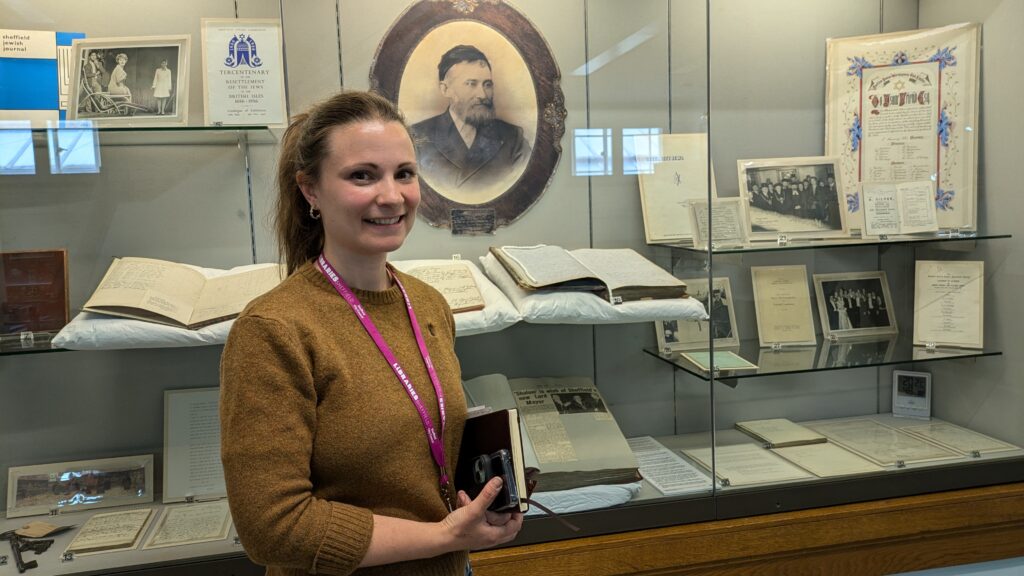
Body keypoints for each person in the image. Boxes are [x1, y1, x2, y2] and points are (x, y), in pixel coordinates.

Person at [219, 90, 522, 576]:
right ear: (311, 191)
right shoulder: (273, 331)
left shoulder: (428, 305)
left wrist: (489, 496)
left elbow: (422, 457)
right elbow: (271, 527)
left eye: (404, 173)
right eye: (362, 175)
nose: (391, 195)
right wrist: (443, 536)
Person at [410, 45, 531, 194]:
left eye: (487, 85)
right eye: (471, 84)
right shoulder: (417, 138)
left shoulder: (513, 138)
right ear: (445, 89)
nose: (482, 94)